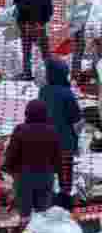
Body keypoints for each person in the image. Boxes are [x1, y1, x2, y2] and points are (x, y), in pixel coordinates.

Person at [4, 99, 63, 228]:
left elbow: (11, 153)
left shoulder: (20, 129)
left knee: (25, 215)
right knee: (43, 214)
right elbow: (58, 157)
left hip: (24, 177)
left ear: (27, 113)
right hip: (45, 176)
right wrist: (59, 175)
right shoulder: (52, 131)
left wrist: (8, 169)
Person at [39, 59, 83, 195]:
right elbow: (75, 117)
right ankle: (64, 198)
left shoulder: (43, 91)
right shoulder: (67, 93)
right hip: (64, 142)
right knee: (65, 176)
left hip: (46, 140)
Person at [13, 0, 53, 80]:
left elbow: (16, 5)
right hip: (39, 25)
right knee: (44, 51)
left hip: (25, 25)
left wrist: (20, 22)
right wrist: (43, 22)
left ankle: (27, 73)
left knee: (26, 50)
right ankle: (49, 73)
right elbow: (49, 8)